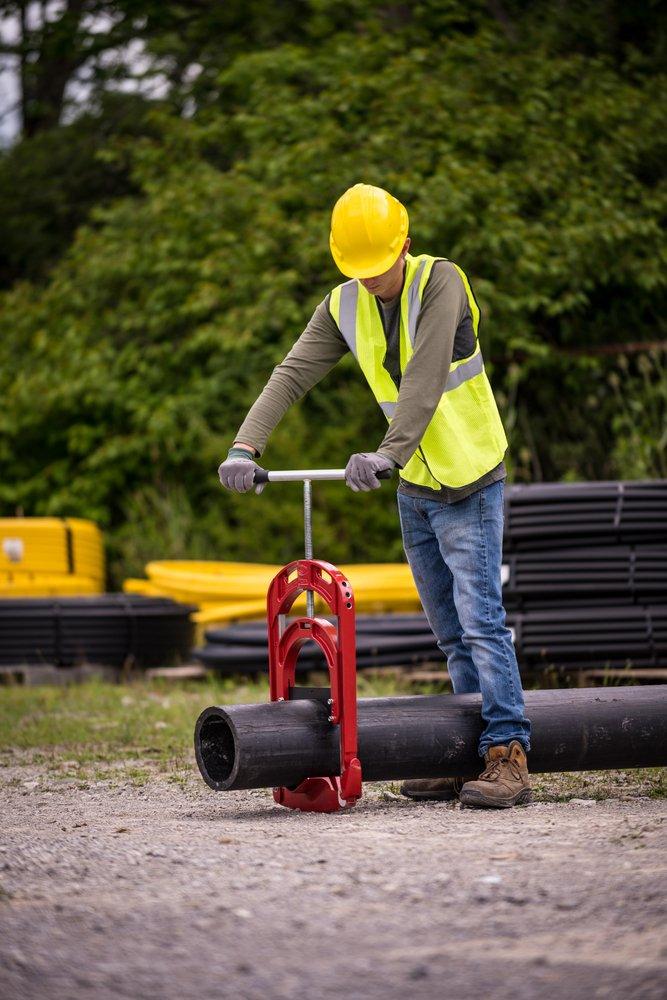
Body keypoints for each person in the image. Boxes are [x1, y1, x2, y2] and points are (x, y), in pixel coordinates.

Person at [218, 183, 531, 809]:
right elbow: (292, 372)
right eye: (356, 271)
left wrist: (386, 452)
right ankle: (456, 753)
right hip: (416, 484)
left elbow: (423, 379)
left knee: (482, 624)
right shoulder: (343, 304)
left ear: (405, 246)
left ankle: (508, 753)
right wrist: (245, 447)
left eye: (378, 268)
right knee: (449, 633)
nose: (369, 282)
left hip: (469, 475)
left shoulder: (441, 284)